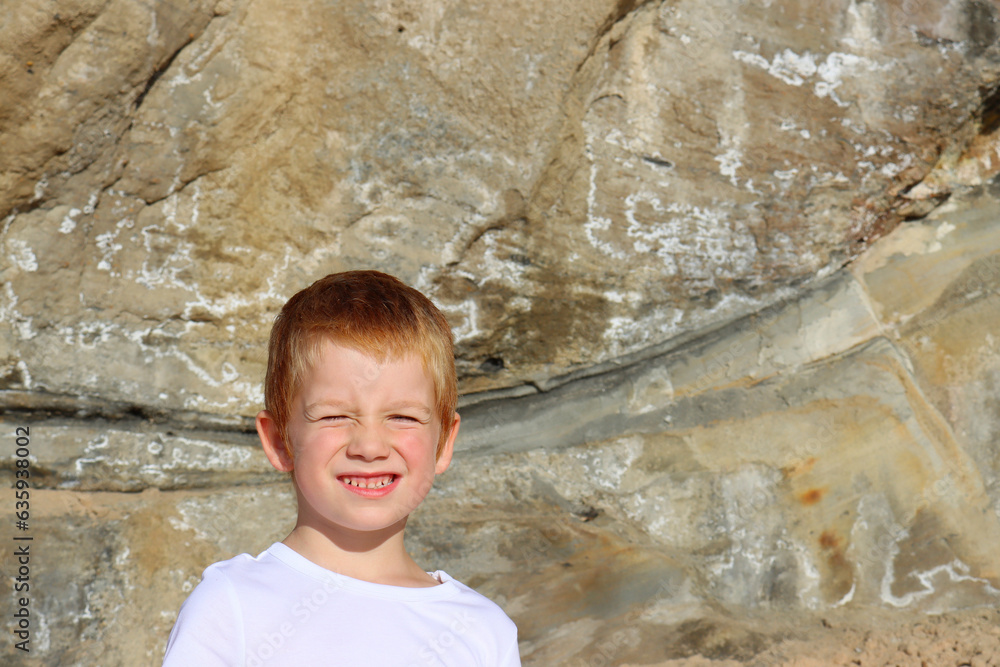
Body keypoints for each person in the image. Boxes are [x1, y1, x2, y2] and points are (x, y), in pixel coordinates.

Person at [163, 270, 520, 666]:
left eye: (402, 417)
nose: (369, 446)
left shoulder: (484, 631)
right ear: (281, 441)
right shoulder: (231, 608)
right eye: (334, 416)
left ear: (443, 443)